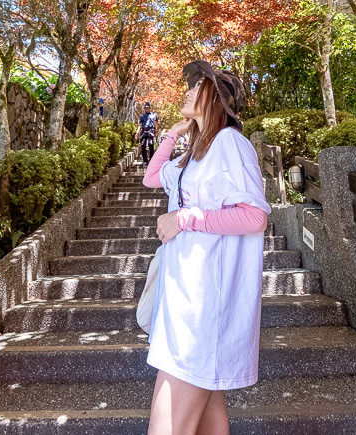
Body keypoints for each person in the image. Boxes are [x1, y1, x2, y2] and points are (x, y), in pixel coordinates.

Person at [141, 61, 271, 435]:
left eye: (197, 86)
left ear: (215, 98)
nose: (187, 89)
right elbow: (152, 177)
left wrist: (186, 218)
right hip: (184, 304)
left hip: (203, 313)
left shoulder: (231, 144)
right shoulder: (193, 155)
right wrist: (172, 134)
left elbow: (253, 217)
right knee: (209, 425)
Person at [137, 101, 159, 165]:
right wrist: (137, 132)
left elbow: (155, 124)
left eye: (147, 107)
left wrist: (156, 131)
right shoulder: (142, 116)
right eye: (145, 108)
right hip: (144, 131)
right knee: (143, 145)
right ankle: (145, 160)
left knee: (151, 144)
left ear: (149, 108)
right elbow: (140, 125)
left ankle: (151, 160)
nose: (146, 109)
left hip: (150, 130)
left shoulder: (153, 115)